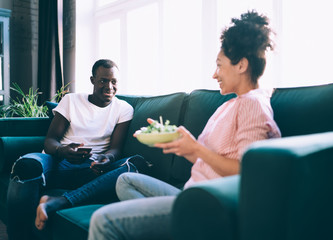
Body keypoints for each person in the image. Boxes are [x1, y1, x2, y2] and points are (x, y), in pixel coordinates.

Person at [88, 10, 281, 240]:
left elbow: (247, 173)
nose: (214, 74)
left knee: (104, 221)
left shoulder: (252, 105)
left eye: (219, 65)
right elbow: (209, 160)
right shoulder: (230, 105)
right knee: (125, 180)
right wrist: (179, 142)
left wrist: (196, 149)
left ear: (241, 65)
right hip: (191, 194)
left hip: (209, 205)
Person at [6, 59, 146, 240]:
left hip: (92, 170)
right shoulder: (72, 100)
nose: (109, 86)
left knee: (136, 164)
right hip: (57, 163)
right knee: (25, 165)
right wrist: (62, 151)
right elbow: (50, 141)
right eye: (103, 80)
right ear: (92, 80)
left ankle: (58, 202)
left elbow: (116, 149)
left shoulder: (124, 109)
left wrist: (106, 159)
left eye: (114, 82)